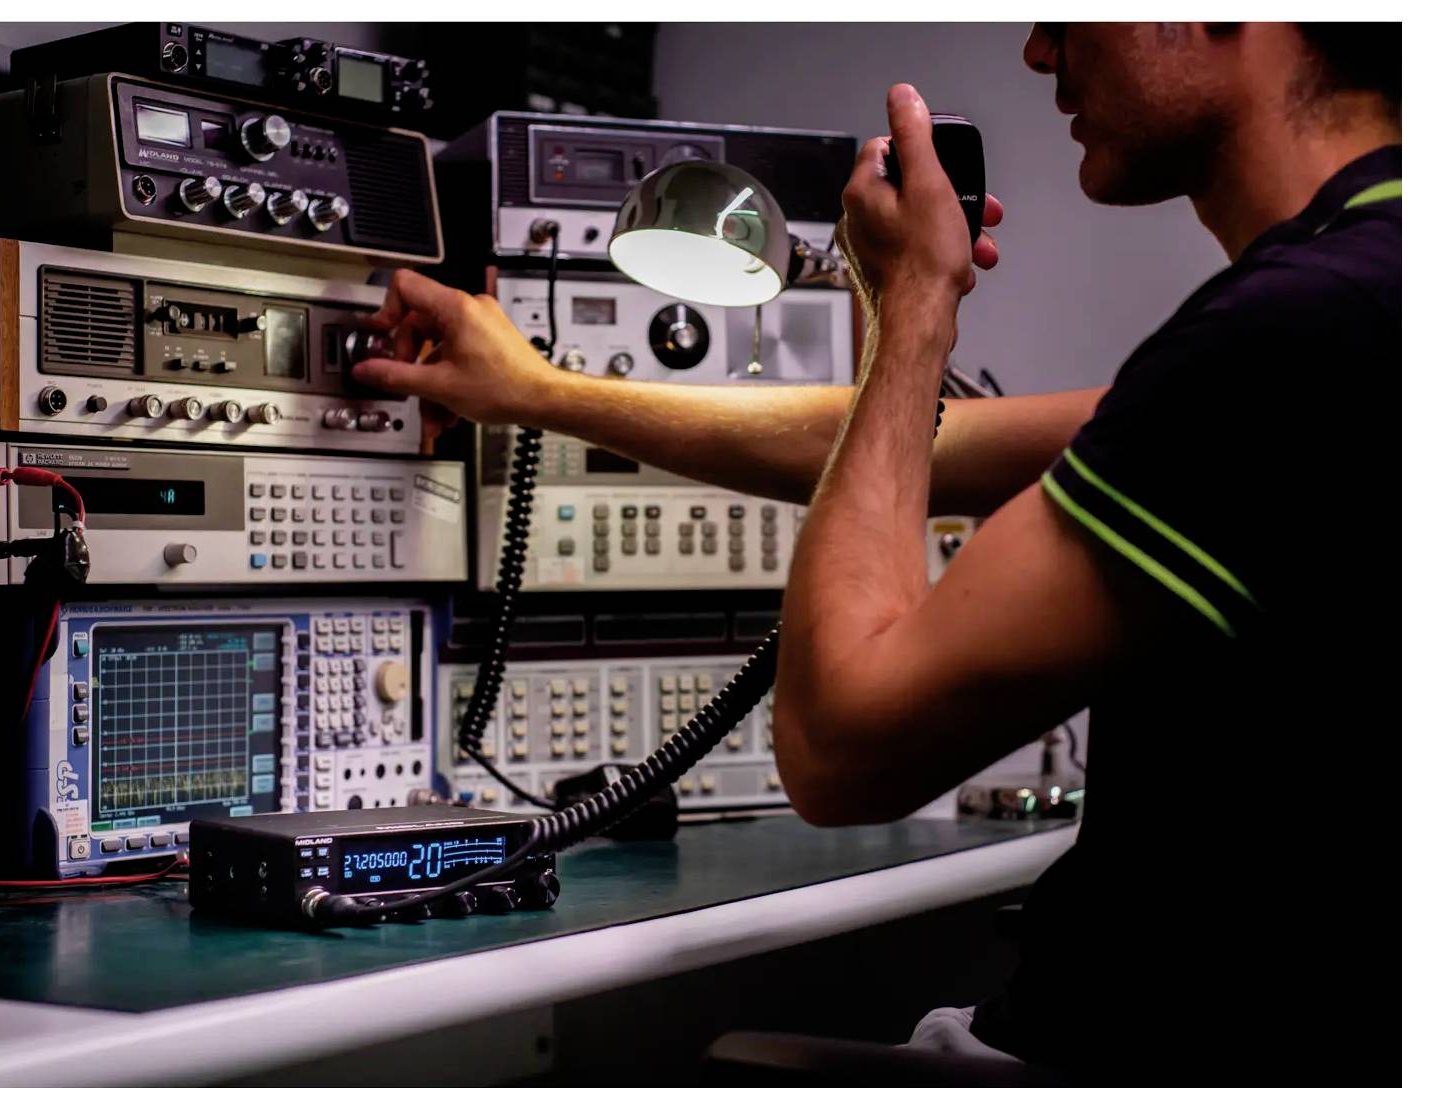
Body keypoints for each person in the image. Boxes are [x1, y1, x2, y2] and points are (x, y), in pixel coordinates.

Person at [352, 23, 1401, 1081]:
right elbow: (924, 444)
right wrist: (540, 392)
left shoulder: (1286, 337)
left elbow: (842, 744)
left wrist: (913, 310)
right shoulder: (1365, 297)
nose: (1042, 50)